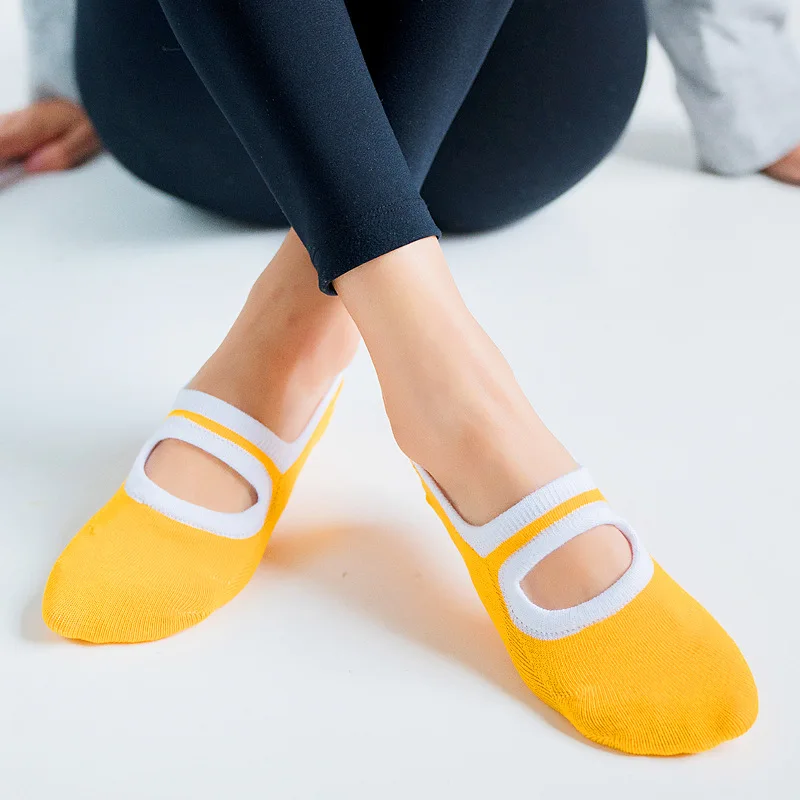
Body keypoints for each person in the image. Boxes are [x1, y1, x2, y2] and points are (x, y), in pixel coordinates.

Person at [6, 0, 757, 756]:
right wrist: (59, 68)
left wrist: (754, 98)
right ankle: (457, 402)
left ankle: (293, 329)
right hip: (206, 83)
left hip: (513, 90)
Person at [5, 0, 800, 182]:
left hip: (509, 98)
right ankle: (384, 286)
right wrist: (750, 109)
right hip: (199, 91)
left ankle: (322, 296)